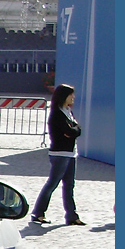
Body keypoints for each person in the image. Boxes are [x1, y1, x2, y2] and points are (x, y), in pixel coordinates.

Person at [31, 83, 85, 226]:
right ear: (63, 96)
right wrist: (73, 131)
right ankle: (38, 213)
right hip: (60, 154)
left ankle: (72, 216)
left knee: (69, 186)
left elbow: (77, 129)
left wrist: (74, 130)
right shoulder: (57, 113)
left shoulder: (68, 111)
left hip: (71, 154)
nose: (73, 97)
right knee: (52, 183)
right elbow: (70, 132)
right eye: (70, 95)